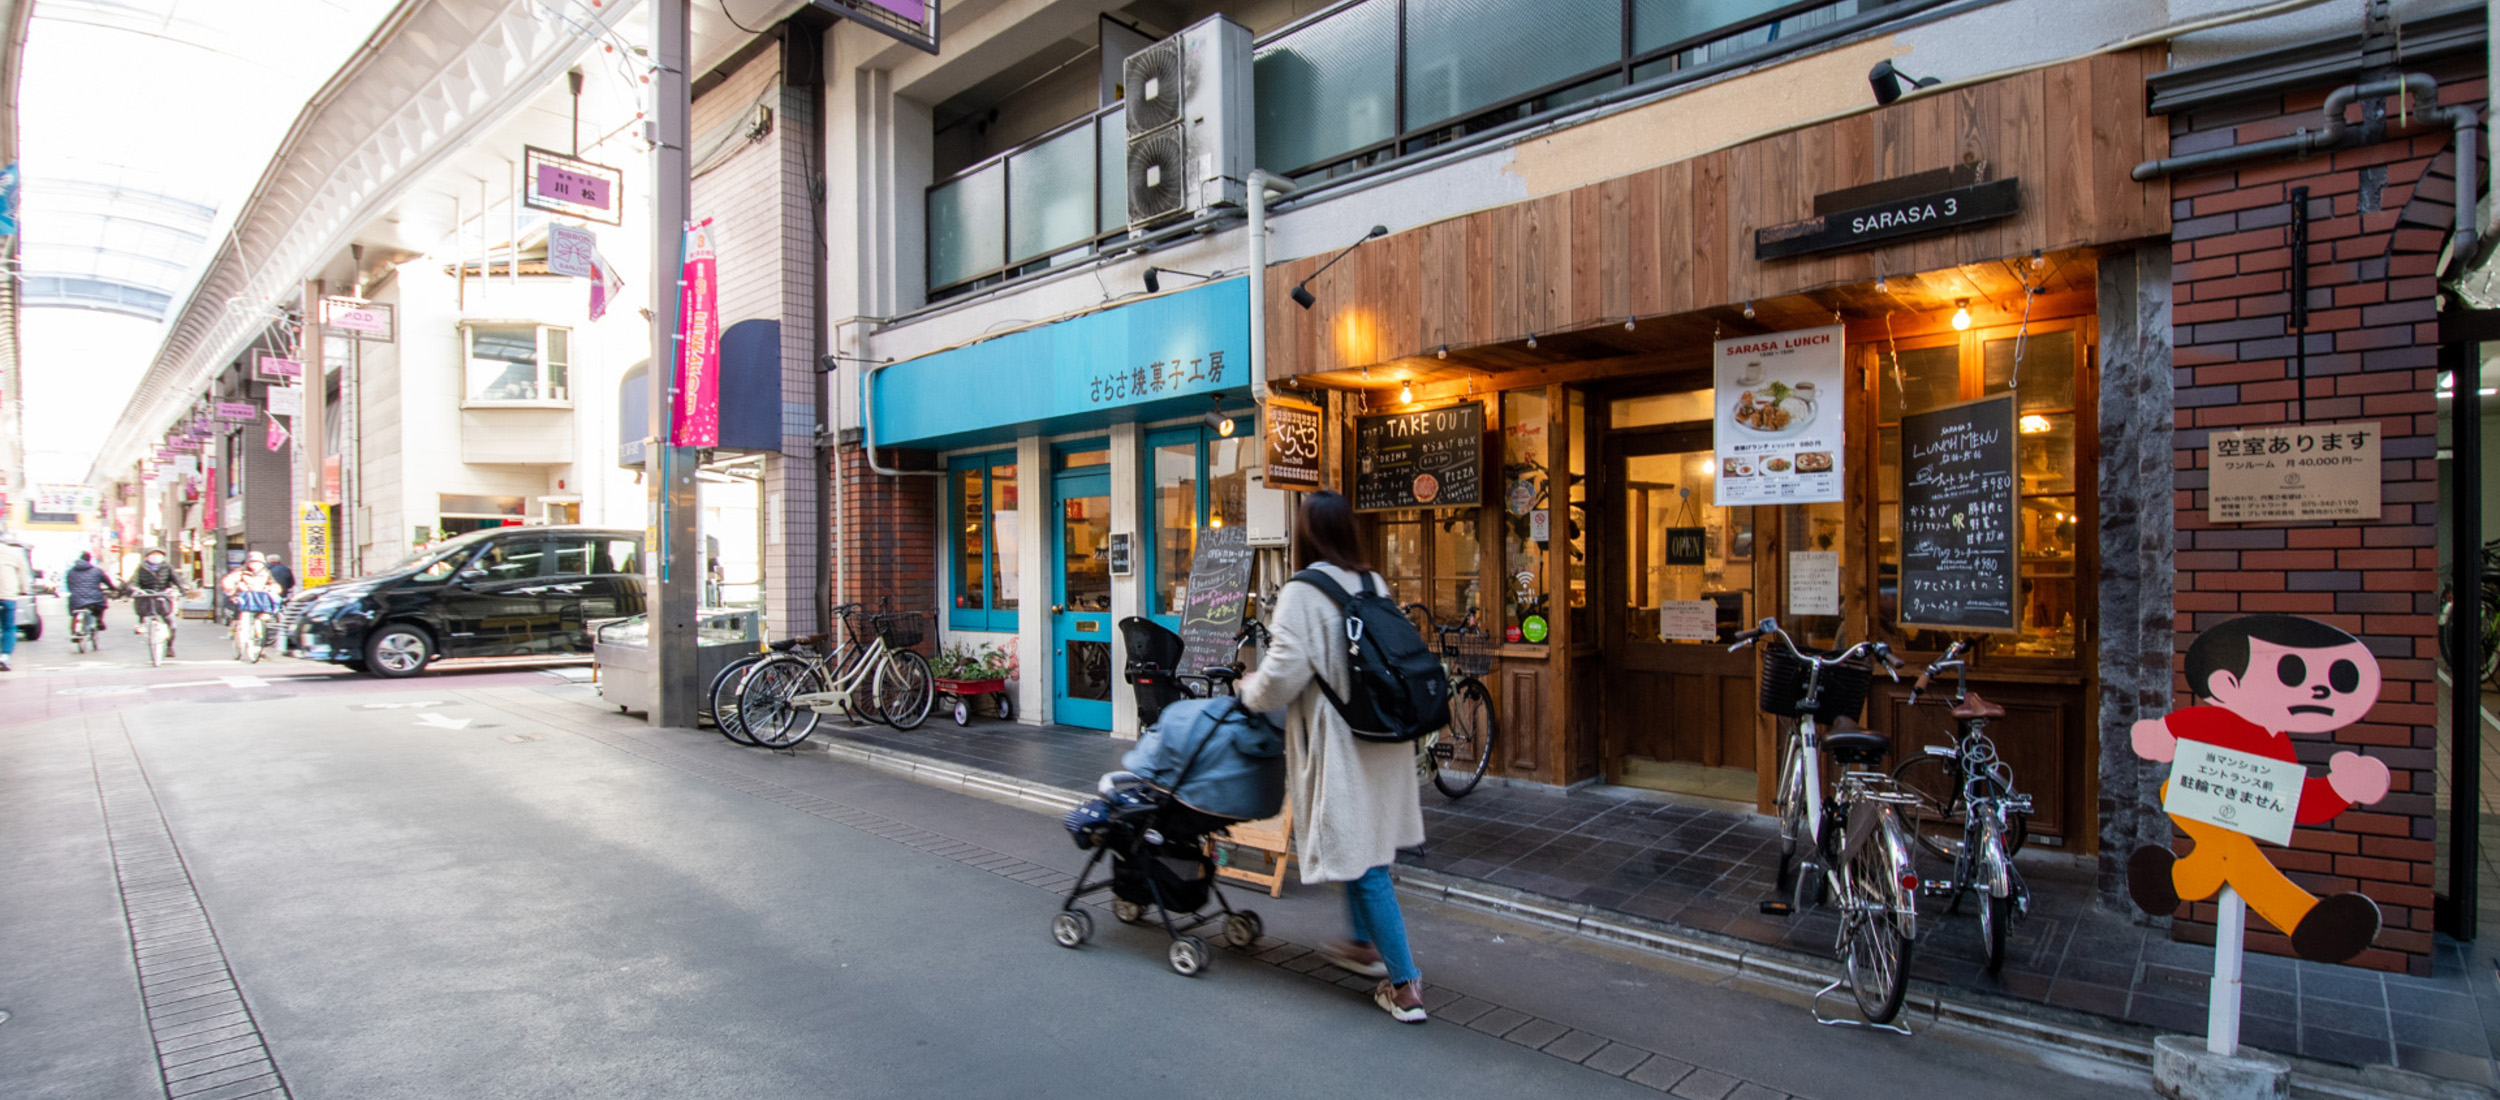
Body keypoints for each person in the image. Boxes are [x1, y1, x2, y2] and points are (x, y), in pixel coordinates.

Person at [1237, 490, 1429, 1023]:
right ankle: (1363, 944)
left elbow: (1282, 676)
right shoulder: (1372, 582)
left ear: (1306, 535)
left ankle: (1406, 984)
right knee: (1364, 843)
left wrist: (1248, 690)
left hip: (1342, 740)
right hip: (1383, 738)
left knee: (1365, 863)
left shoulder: (1303, 591)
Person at [123, 548, 189, 658]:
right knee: (141, 606)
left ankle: (169, 647)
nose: (156, 557)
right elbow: (133, 581)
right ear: (147, 557)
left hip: (163, 596)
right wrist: (133, 589)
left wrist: (181, 589)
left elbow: (177, 579)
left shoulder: (167, 567)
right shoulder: (141, 568)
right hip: (147, 596)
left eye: (158, 555)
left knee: (171, 623)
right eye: (153, 555)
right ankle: (141, 623)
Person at [220, 551, 285, 660]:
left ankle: (259, 647)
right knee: (241, 619)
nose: (255, 565)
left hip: (259, 601)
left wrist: (273, 589)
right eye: (252, 562)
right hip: (245, 601)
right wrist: (231, 589)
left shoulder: (266, 572)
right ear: (248, 563)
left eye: (258, 562)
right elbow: (228, 581)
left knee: (264, 622)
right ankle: (239, 635)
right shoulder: (241, 572)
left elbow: (273, 585)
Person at [63, 551, 114, 637]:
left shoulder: (70, 571)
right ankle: (98, 619)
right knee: (101, 604)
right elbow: (106, 581)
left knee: (75, 611)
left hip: (76, 600)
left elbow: (69, 585)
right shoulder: (96, 570)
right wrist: (112, 588)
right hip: (94, 600)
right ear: (89, 560)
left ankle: (73, 630)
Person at [0, 549, 24, 671]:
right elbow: (23, 574)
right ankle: (4, 657)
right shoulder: (14, 552)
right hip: (7, 596)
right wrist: (23, 589)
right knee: (8, 627)